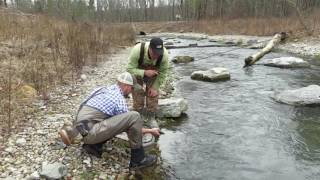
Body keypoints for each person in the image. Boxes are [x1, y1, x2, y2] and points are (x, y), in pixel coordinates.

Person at [58, 72, 160, 169]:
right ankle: (138, 160)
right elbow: (131, 126)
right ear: (126, 86)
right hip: (90, 133)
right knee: (134, 116)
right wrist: (150, 131)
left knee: (109, 118)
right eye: (132, 88)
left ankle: (92, 145)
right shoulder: (118, 99)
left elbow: (84, 105)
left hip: (82, 125)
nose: (131, 91)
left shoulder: (102, 89)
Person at [127, 37, 169, 127]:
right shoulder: (137, 50)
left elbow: (163, 73)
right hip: (137, 72)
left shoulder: (164, 55)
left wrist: (155, 87)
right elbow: (129, 69)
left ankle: (151, 117)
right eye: (154, 53)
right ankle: (138, 114)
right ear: (149, 48)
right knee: (138, 91)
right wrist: (144, 72)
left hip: (154, 74)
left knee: (153, 93)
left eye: (158, 54)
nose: (156, 56)